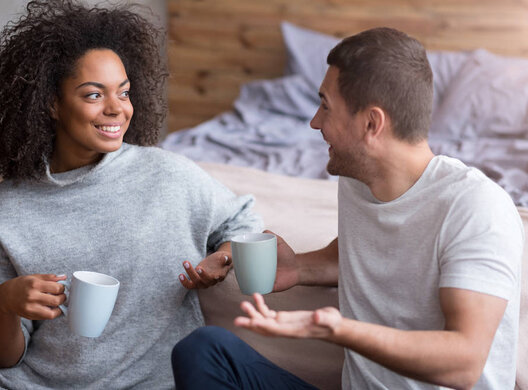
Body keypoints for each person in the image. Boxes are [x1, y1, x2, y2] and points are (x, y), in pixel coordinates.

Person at [172, 27, 524, 389]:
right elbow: (373, 250)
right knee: (205, 349)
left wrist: (338, 329)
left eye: (325, 106)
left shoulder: (477, 208)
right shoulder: (357, 180)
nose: (314, 122)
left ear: (371, 124)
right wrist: (297, 268)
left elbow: (464, 363)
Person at [0, 1, 262, 389]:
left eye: (124, 92)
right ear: (51, 103)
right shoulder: (7, 209)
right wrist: (5, 304)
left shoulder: (167, 174)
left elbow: (244, 221)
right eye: (94, 95)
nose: (117, 109)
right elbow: (1, 357)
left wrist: (222, 257)